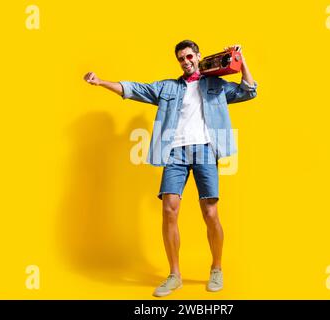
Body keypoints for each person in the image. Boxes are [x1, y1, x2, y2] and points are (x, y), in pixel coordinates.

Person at [84, 40, 257, 297]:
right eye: (181, 59)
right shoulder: (168, 87)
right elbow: (133, 89)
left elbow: (249, 90)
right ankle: (174, 275)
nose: (186, 62)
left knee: (210, 211)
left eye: (189, 56)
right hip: (175, 151)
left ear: (198, 56)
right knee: (169, 209)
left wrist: (240, 62)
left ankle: (216, 268)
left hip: (204, 149)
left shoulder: (215, 85)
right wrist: (101, 82)